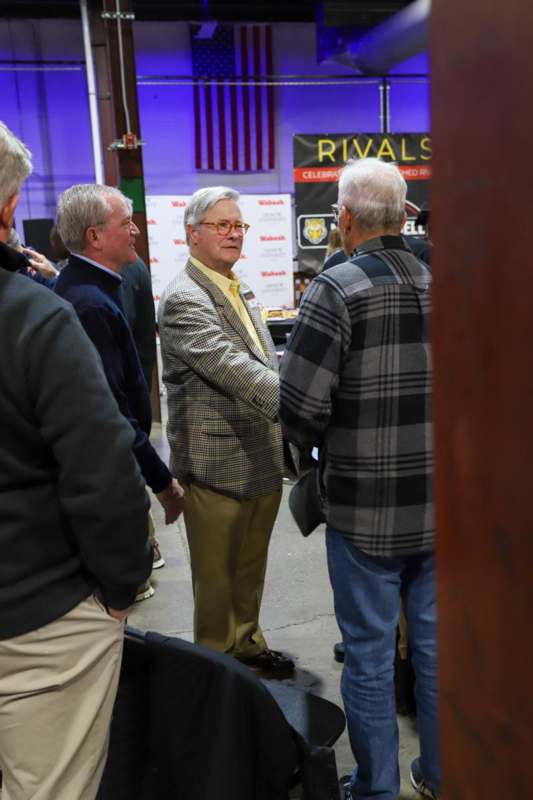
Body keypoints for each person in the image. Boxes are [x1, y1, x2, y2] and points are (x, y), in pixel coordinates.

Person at [0, 122, 152, 799]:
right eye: (126, 223)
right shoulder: (42, 314)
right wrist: (123, 585)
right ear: (7, 208)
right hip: (36, 620)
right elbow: (99, 468)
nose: (137, 234)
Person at [279, 158, 440, 799]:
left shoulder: (337, 288)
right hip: (446, 509)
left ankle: (375, 789)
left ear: (342, 218)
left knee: (370, 659)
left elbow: (299, 407)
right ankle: (441, 775)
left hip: (363, 512)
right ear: (404, 214)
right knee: (435, 653)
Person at [158, 186, 294, 678]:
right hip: (215, 467)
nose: (234, 234)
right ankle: (216, 670)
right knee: (216, 582)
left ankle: (248, 644)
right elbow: (233, 366)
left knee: (248, 570)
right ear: (192, 234)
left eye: (239, 225)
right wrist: (300, 401)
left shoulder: (239, 285)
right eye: (222, 225)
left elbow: (261, 358)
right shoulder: (184, 298)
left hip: (259, 456)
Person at [54, 184, 184, 600]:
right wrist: (161, 481)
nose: (136, 233)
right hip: (106, 475)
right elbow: (112, 410)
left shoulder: (91, 290)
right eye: (126, 224)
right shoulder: (90, 304)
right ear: (94, 237)